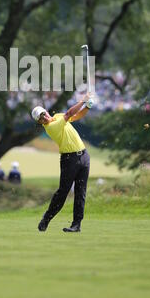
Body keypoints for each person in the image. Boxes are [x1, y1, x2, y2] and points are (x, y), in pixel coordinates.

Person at [31, 96, 93, 233]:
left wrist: (87, 107)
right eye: (41, 118)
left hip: (84, 156)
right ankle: (46, 218)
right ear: (40, 122)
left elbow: (76, 116)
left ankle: (76, 225)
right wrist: (83, 100)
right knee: (62, 192)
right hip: (69, 160)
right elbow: (69, 113)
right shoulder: (51, 127)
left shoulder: (57, 116)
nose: (44, 117)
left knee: (80, 193)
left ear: (46, 111)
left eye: (43, 114)